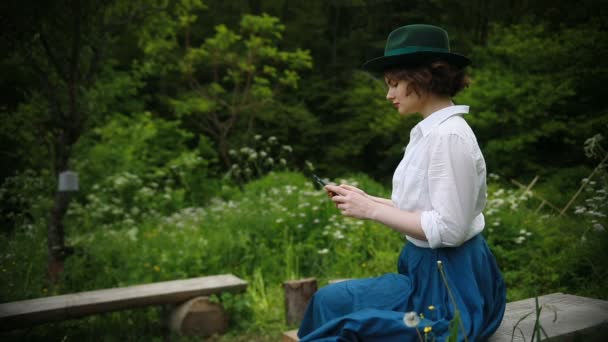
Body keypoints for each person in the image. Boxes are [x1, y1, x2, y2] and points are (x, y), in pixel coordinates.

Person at [297, 24, 507, 341]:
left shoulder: (449, 137)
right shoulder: (427, 133)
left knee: (352, 328)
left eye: (395, 83)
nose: (389, 94)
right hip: (423, 278)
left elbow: (449, 229)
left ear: (423, 77)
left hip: (451, 293)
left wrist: (371, 210)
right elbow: (425, 209)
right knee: (329, 300)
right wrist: (367, 199)